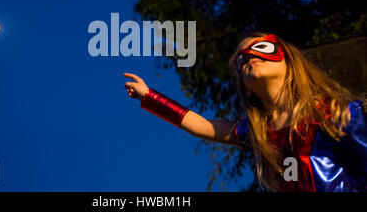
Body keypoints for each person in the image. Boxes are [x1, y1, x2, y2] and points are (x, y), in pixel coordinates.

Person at [123, 32, 367, 192]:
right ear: (246, 89)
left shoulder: (335, 113)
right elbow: (203, 126)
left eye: (261, 48)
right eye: (243, 59)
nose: (252, 57)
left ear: (289, 63)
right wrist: (150, 96)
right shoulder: (259, 133)